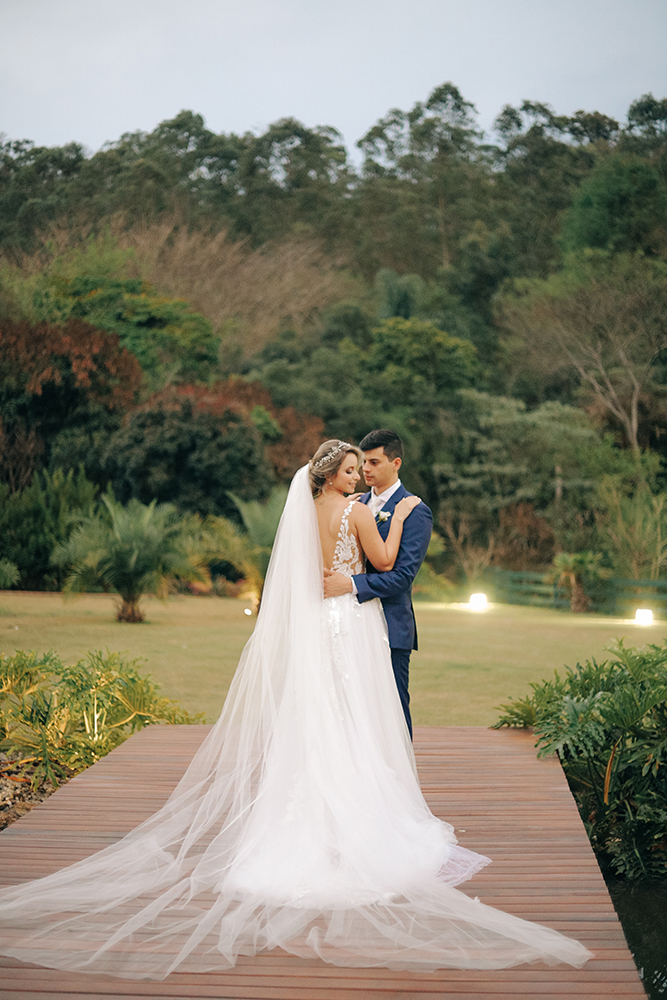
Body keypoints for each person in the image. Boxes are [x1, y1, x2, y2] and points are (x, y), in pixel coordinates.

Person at [0, 442, 592, 979]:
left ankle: (300, 830)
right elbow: (386, 564)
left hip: (318, 625)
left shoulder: (302, 514)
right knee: (357, 718)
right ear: (334, 475)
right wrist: (402, 518)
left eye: (366, 468)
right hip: (352, 626)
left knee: (319, 720)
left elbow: (307, 577)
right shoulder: (360, 511)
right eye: (354, 469)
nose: (361, 476)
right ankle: (357, 829)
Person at [323, 429, 431, 738]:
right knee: (352, 710)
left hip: (390, 626)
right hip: (349, 626)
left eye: (373, 462)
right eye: (362, 463)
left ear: (395, 463)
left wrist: (351, 585)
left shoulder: (414, 511)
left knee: (392, 712)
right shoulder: (352, 504)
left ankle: (400, 783)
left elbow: (402, 577)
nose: (365, 470)